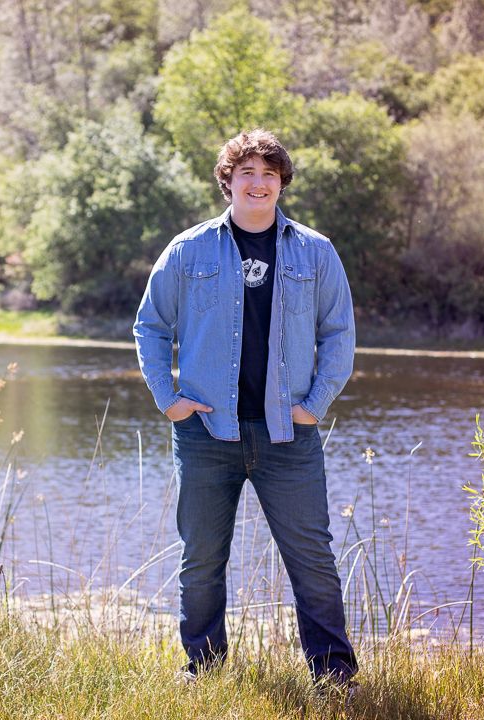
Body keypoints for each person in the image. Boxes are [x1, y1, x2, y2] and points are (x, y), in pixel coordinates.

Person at [133, 128, 358, 687]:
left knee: (313, 562)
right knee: (202, 562)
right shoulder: (188, 251)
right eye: (247, 173)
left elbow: (340, 335)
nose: (258, 184)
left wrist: (314, 404)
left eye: (269, 174)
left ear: (281, 183)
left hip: (289, 436)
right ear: (227, 182)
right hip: (208, 434)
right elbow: (150, 327)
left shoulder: (315, 251)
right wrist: (170, 400)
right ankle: (203, 672)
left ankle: (334, 676)